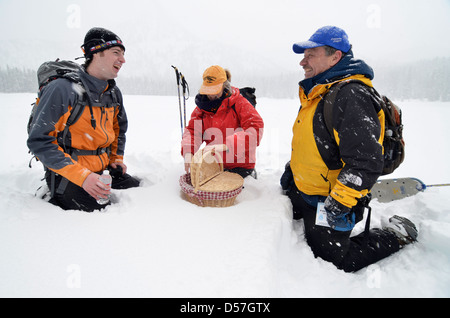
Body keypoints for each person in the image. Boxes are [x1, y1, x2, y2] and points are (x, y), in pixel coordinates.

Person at [281, 26, 418, 272]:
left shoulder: (351, 95)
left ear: (336, 57)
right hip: (306, 190)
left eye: (311, 54)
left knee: (336, 259)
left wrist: (340, 201)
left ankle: (396, 233)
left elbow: (365, 161)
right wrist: (294, 170)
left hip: (330, 198)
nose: (303, 62)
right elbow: (317, 143)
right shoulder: (318, 92)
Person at [27, 27, 140, 212]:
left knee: (139, 191)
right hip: (69, 174)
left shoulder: (113, 92)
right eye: (116, 53)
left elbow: (119, 128)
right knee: (101, 213)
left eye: (123, 54)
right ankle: (50, 196)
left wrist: (115, 159)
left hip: (102, 170)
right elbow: (40, 141)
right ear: (96, 52)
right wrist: (83, 177)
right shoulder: (63, 89)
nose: (123, 59)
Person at [181, 65, 264, 178]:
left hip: (240, 166)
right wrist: (188, 152)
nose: (211, 94)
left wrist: (227, 146)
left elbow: (255, 129)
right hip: (214, 164)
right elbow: (193, 132)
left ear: (225, 87)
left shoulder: (240, 103)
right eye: (208, 90)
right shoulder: (202, 108)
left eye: (215, 90)